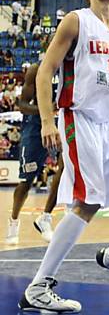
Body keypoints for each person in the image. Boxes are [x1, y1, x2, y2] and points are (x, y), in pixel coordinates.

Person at [18, 0, 109, 313]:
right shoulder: (76, 21)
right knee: (88, 200)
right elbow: (46, 70)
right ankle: (39, 287)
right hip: (80, 117)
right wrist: (48, 120)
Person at [6, 62, 64, 245]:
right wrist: (46, 109)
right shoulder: (37, 69)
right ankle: (14, 222)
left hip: (62, 122)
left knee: (65, 168)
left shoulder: (73, 67)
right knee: (27, 181)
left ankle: (45, 218)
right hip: (36, 125)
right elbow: (22, 104)